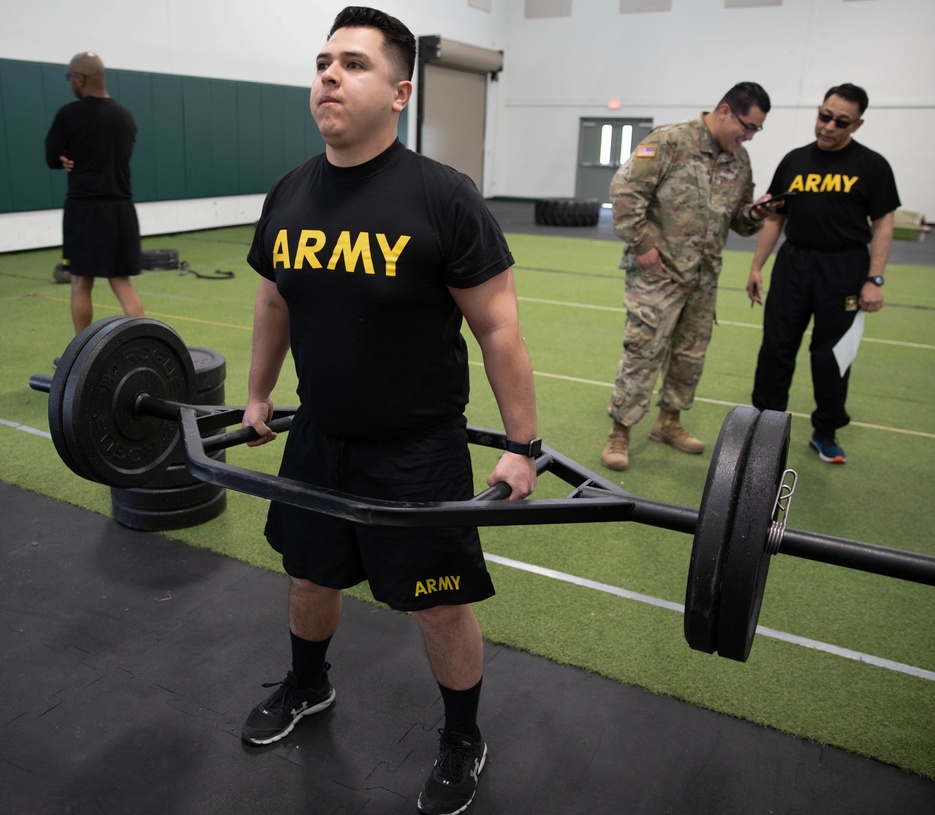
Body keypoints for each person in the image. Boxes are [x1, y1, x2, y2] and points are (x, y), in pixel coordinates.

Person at [239, 8, 538, 815]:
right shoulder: (291, 189)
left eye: (354, 65)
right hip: (319, 434)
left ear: (400, 91)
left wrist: (523, 445)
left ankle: (462, 736)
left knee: (439, 603)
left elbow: (498, 326)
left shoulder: (444, 198)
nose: (329, 76)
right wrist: (262, 393)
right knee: (308, 573)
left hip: (417, 448)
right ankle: (309, 686)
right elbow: (273, 302)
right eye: (323, 61)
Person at [601, 82, 775, 471]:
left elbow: (739, 221)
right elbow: (625, 192)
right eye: (747, 126)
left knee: (689, 357)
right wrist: (643, 245)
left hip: (703, 277)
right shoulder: (670, 141)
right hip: (658, 275)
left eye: (756, 131)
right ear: (726, 111)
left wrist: (759, 213)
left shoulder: (739, 160)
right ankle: (620, 432)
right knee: (643, 352)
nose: (748, 137)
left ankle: (669, 423)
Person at [746, 83, 899, 464]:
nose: (828, 126)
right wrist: (756, 267)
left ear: (857, 124)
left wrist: (874, 278)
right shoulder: (794, 160)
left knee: (831, 355)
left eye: (841, 121)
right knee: (776, 348)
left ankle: (825, 431)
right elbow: (775, 216)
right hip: (794, 263)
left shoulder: (872, 166)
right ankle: (765, 428)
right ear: (818, 110)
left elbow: (883, 224)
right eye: (824, 116)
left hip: (844, 268)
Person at [45, 52, 144, 335]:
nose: (70, 83)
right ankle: (142, 344)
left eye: (70, 78)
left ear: (81, 78)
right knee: (121, 282)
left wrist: (62, 159)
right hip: (121, 209)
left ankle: (81, 355)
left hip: (85, 209)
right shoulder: (125, 116)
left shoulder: (69, 115)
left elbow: (51, 156)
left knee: (80, 282)